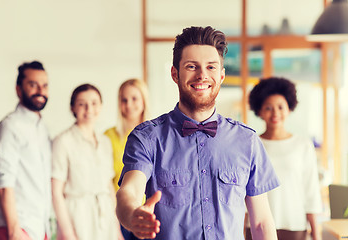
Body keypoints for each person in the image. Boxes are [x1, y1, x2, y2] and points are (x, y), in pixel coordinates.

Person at [116, 26, 280, 240]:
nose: (202, 75)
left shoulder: (247, 141)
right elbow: (128, 192)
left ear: (221, 75)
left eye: (211, 67)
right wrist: (132, 216)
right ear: (175, 74)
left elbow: (261, 223)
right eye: (192, 66)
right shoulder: (146, 138)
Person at [248, 77, 322, 240]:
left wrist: (317, 235)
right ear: (259, 111)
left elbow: (312, 193)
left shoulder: (303, 145)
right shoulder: (252, 144)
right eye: (268, 108)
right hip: (256, 227)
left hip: (294, 225)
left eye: (280, 107)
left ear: (289, 109)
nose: (275, 113)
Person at [51, 84, 123, 240]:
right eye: (82, 104)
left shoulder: (105, 141)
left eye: (94, 103)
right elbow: (56, 192)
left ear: (101, 106)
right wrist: (69, 234)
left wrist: (117, 229)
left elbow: (108, 186)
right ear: (73, 108)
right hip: (78, 217)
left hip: (105, 217)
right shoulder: (63, 141)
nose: (89, 109)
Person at [0, 61, 51, 240]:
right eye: (33, 85)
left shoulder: (42, 128)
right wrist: (14, 231)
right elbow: (3, 184)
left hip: (39, 227)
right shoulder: (10, 127)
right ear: (18, 89)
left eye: (44, 85)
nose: (40, 90)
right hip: (17, 228)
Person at [104, 79, 148, 240]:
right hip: (120, 217)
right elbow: (107, 183)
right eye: (124, 100)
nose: (129, 104)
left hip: (150, 215)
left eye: (134, 99)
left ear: (144, 100)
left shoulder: (156, 136)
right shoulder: (108, 137)